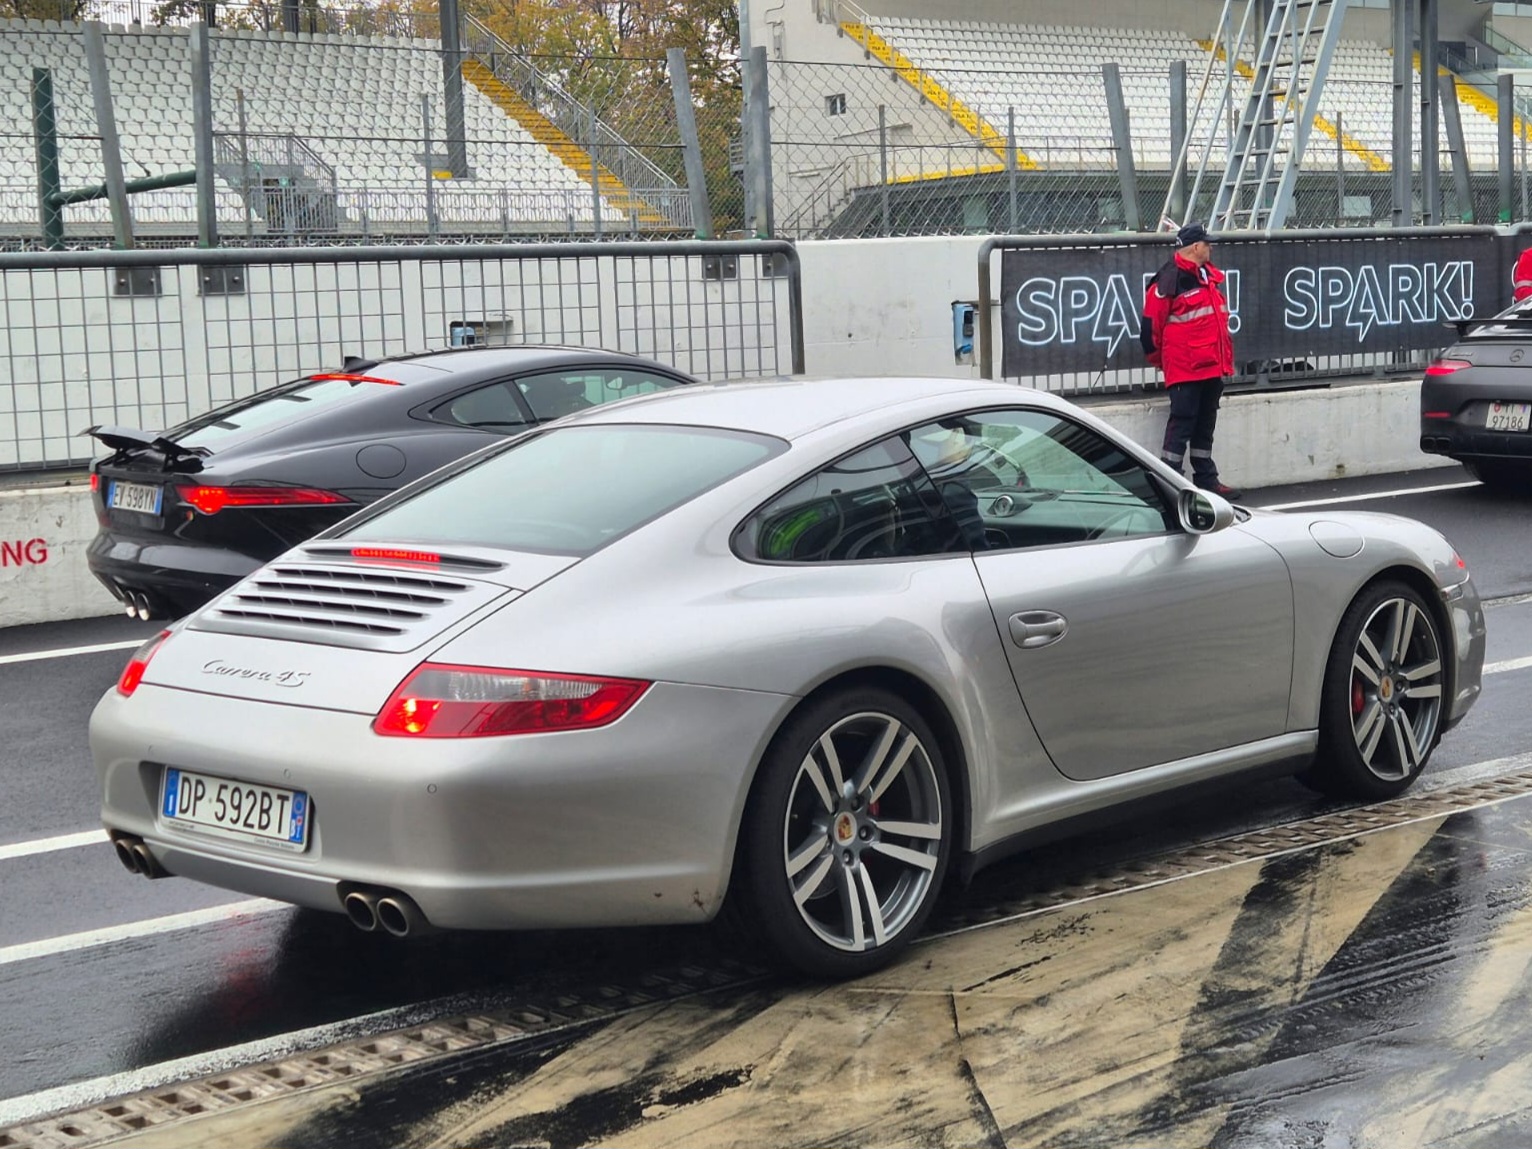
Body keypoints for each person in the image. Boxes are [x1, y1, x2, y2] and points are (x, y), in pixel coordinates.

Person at [1143, 221, 1241, 500]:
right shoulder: (1170, 279)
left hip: (1210, 365)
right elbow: (1151, 328)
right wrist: (1164, 361)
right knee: (1182, 423)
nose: (1211, 247)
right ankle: (1170, 482)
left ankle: (1206, 480)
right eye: (1207, 243)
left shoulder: (1207, 276)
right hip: (1186, 368)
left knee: (1204, 424)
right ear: (1196, 247)